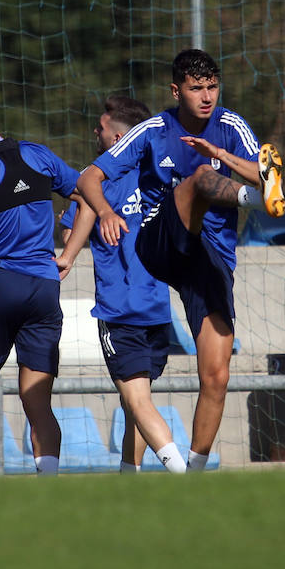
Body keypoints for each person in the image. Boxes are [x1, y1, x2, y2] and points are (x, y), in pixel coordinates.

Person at [77, 48, 285, 470]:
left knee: (216, 375)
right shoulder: (154, 129)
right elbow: (88, 178)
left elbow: (262, 168)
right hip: (161, 242)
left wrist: (222, 154)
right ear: (177, 91)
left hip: (210, 258)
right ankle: (258, 201)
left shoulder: (231, 126)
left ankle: (192, 474)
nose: (206, 96)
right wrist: (105, 211)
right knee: (201, 180)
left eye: (212, 87)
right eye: (196, 89)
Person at [0, 88, 87, 476]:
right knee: (38, 401)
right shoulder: (39, 154)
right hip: (44, 288)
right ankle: (48, 484)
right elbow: (89, 194)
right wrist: (70, 253)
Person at [61, 95, 185, 473]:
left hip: (120, 307)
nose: (94, 133)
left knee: (138, 402)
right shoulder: (159, 175)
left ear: (117, 140)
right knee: (138, 401)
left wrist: (66, 255)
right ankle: (128, 475)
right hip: (157, 307)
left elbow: (75, 218)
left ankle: (184, 475)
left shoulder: (97, 181)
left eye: (100, 128)